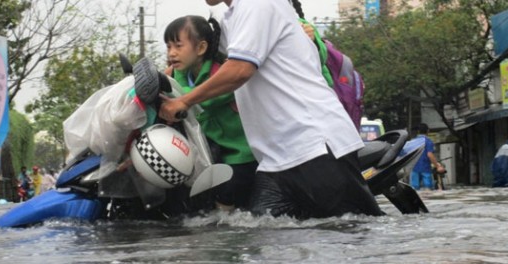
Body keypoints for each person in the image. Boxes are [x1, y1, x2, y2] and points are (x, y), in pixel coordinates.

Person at [160, 0, 383, 219]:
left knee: (353, 233)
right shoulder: (231, 18)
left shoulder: (258, 4)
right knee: (261, 236)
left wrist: (184, 101)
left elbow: (239, 70)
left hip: (314, 145)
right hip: (275, 159)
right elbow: (202, 57)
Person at [163, 15, 258, 210]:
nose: (172, 53)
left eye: (178, 46)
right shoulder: (176, 74)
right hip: (208, 151)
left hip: (240, 153)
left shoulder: (220, 75)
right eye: (168, 47)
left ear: (201, 48)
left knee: (226, 192)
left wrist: (176, 99)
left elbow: (207, 96)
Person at [410, 123, 445, 190]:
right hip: (425, 169)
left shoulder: (412, 141)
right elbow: (430, 155)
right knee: (428, 189)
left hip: (414, 169)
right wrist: (438, 166)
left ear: (418, 131)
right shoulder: (428, 141)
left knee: (415, 189)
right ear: (428, 131)